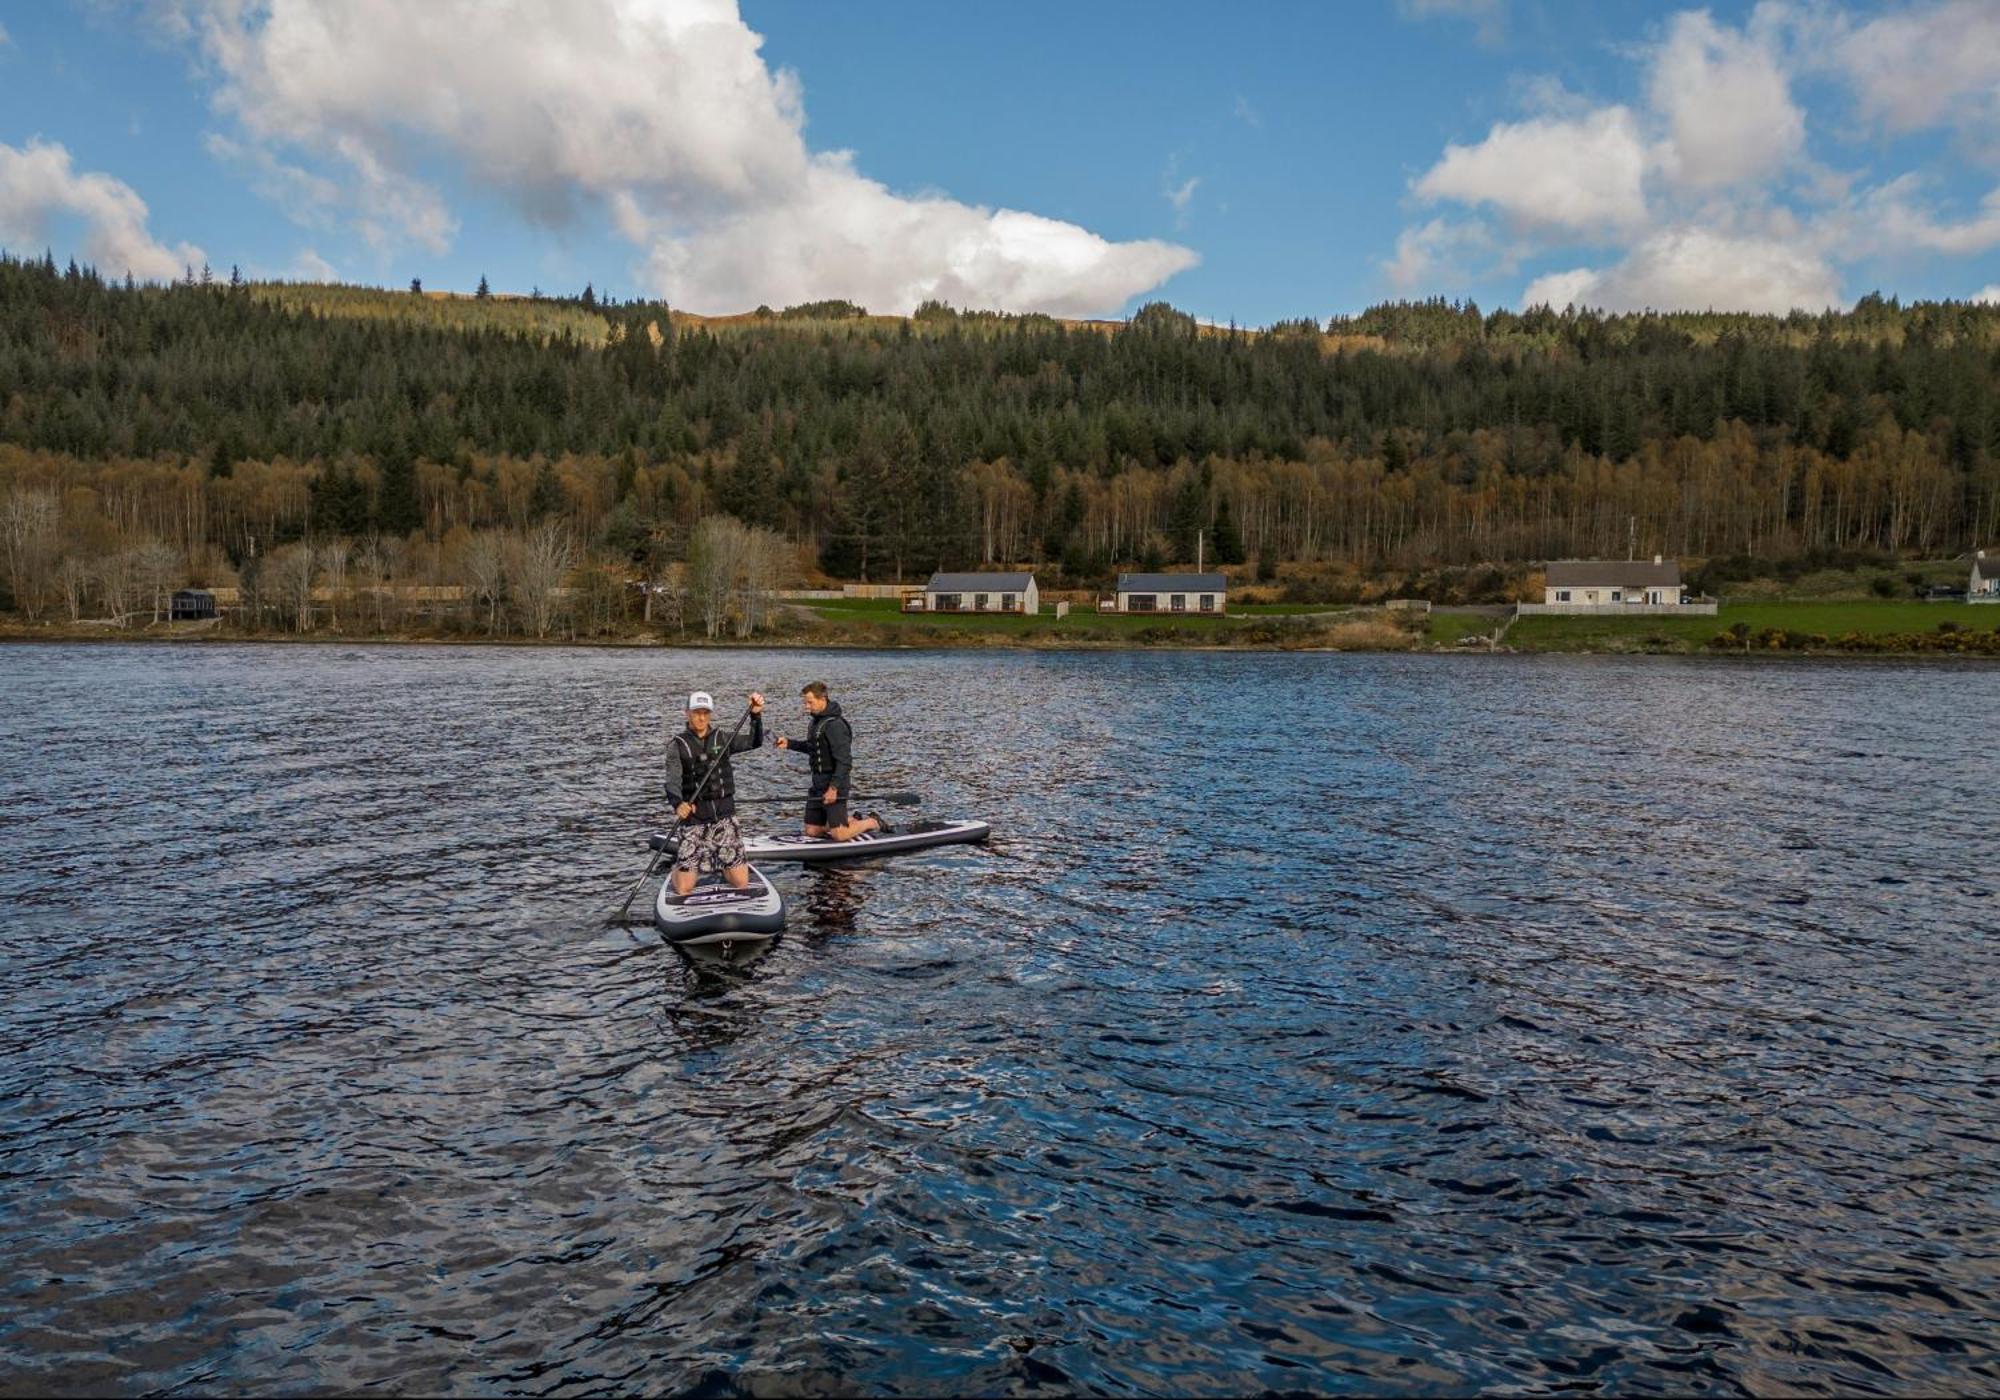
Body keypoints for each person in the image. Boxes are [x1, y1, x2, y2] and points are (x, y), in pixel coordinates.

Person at [664, 689, 764, 896]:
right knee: (683, 888)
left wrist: (755, 715)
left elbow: (755, 742)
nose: (701, 717)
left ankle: (723, 864)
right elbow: (672, 781)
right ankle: (677, 868)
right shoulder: (677, 745)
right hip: (694, 819)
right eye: (696, 712)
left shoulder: (724, 738)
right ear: (687, 713)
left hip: (724, 818)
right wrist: (678, 803)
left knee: (741, 882)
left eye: (705, 713)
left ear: (710, 714)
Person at [773, 681, 891, 841]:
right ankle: (851, 821)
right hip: (817, 784)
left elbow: (845, 761)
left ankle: (872, 822)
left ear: (823, 698)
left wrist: (833, 788)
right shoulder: (816, 721)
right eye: (805, 703)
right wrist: (789, 744)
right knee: (812, 831)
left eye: (810, 702)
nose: (806, 707)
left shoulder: (835, 725)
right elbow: (815, 749)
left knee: (839, 835)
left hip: (835, 783)